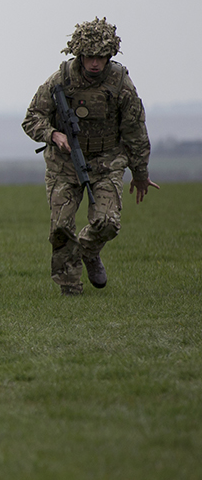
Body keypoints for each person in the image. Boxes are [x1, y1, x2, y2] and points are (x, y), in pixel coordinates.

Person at [22, 17, 158, 295]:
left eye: (101, 57)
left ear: (110, 56)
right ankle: (70, 288)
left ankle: (89, 249)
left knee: (107, 223)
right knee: (61, 226)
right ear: (79, 54)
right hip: (64, 163)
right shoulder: (61, 79)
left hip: (107, 161)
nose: (95, 63)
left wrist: (140, 173)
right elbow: (32, 118)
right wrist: (52, 135)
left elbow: (134, 130)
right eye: (90, 57)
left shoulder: (120, 83)